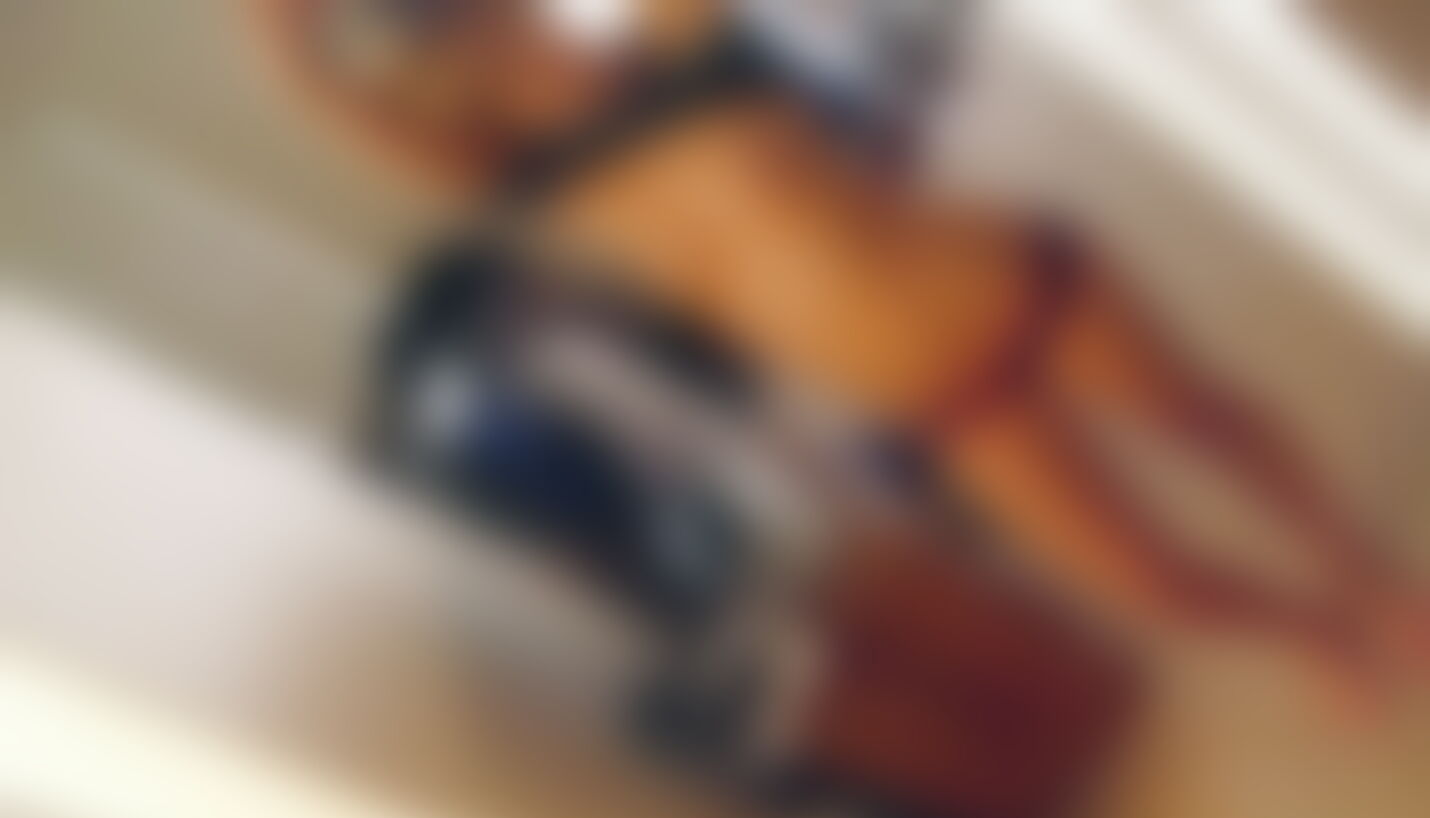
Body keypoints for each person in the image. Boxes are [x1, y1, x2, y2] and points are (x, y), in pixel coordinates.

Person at [248, 0, 1426, 709]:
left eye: (523, 25)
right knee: (1151, 586)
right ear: (467, 86)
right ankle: (1314, 628)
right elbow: (365, 122)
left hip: (1011, 288)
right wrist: (285, 42)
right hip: (948, 407)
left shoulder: (683, 49)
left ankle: (1360, 578)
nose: (531, 52)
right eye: (492, 53)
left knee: (1201, 420)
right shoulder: (538, 183)